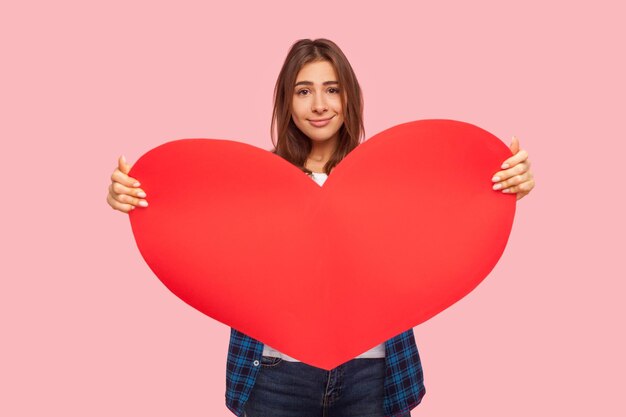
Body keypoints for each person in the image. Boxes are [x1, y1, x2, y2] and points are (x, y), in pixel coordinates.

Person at [106, 38, 535, 417]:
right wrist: (136, 198)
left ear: (349, 97)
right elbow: (196, 225)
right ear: (286, 102)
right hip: (276, 374)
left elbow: (450, 212)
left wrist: (503, 183)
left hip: (374, 373)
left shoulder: (392, 178)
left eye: (332, 89)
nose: (319, 105)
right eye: (304, 91)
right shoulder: (252, 183)